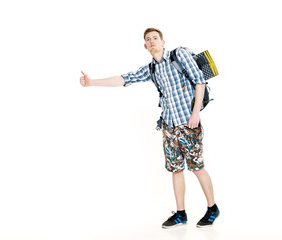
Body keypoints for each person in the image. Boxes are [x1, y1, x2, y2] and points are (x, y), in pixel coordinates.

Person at [79, 27, 220, 228]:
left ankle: (212, 208)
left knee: (197, 168)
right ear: (145, 46)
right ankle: (181, 214)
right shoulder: (151, 69)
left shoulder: (178, 55)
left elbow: (199, 81)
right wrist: (92, 82)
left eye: (155, 38)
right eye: (148, 39)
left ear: (163, 42)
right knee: (176, 170)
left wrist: (195, 112)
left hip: (189, 124)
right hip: (168, 126)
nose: (152, 41)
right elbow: (124, 79)